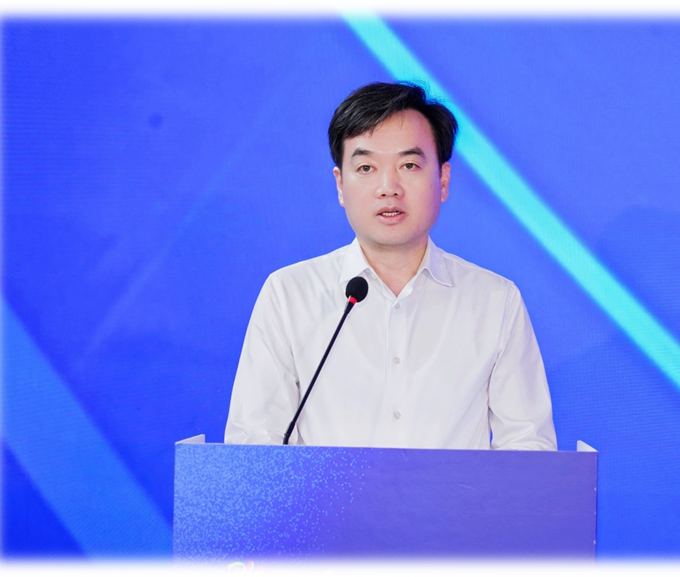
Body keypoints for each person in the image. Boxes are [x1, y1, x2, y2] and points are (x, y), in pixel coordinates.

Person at [224, 82, 556, 450]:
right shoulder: (289, 295)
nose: (388, 187)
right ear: (340, 184)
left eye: (409, 165)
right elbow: (253, 446)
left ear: (443, 180)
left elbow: (529, 448)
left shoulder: (495, 301)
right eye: (366, 167)